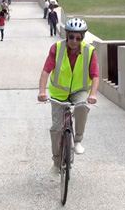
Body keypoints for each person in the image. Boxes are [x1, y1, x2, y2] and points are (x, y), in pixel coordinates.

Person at [37, 18, 99, 180]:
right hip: (59, 93)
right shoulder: (56, 49)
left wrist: (92, 94)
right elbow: (46, 71)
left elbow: (95, 75)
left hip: (79, 90)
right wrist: (42, 91)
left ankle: (77, 140)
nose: (74, 41)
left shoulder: (89, 51)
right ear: (66, 35)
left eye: (78, 38)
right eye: (71, 37)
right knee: (56, 129)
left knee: (82, 107)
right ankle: (56, 164)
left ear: (83, 38)